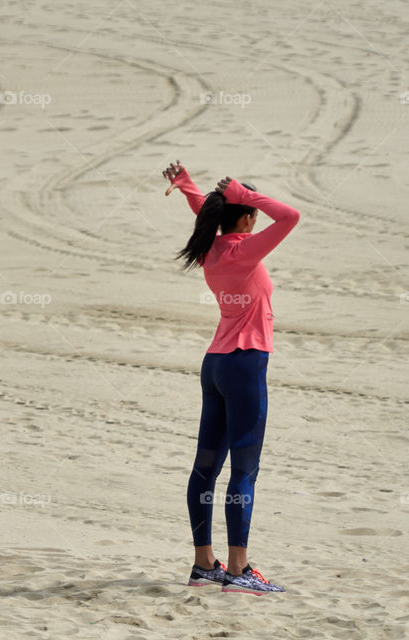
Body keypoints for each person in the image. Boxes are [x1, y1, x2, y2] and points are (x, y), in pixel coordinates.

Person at [165, 160, 300, 595]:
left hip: (216, 365)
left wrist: (188, 186)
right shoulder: (244, 251)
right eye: (251, 214)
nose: (257, 218)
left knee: (206, 469)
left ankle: (205, 565)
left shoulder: (212, 249)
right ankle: (239, 571)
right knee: (244, 471)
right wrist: (244, 192)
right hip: (245, 365)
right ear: (244, 217)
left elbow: (205, 213)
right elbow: (291, 216)